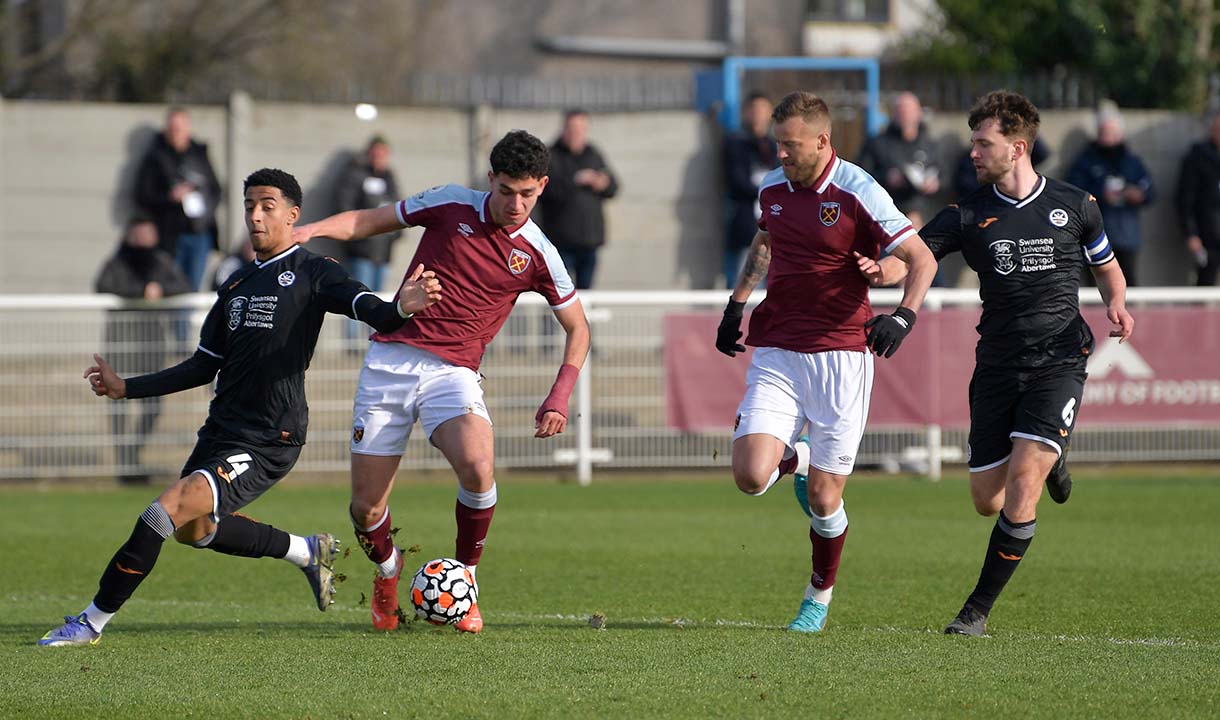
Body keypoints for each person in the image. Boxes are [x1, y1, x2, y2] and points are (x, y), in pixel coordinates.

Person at [39, 168, 443, 647]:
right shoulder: (234, 285)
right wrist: (126, 387)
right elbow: (200, 367)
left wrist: (401, 306)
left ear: (293, 216)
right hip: (221, 431)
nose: (255, 214)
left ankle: (90, 622)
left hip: (271, 435)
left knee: (160, 512)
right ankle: (306, 551)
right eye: (250, 204)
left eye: (267, 205)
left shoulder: (316, 272)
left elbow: (370, 308)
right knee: (193, 531)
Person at [859, 90, 1135, 636]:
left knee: (1024, 480)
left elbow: (1108, 267)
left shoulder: (1076, 204)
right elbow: (913, 258)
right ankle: (1052, 456)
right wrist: (878, 271)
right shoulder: (966, 214)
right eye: (972, 143)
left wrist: (1117, 303)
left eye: (983, 144)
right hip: (997, 366)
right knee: (989, 500)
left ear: (1018, 147)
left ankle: (975, 612)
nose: (973, 153)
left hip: (1060, 359)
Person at [293, 130, 591, 634]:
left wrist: (559, 394)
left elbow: (579, 327)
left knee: (478, 466)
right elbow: (370, 220)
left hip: (453, 374)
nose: (516, 204)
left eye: (528, 194)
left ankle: (466, 585)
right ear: (490, 179)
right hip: (390, 363)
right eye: (506, 191)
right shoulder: (451, 202)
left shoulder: (540, 253)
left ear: (542, 186)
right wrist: (311, 231)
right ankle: (388, 573)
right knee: (366, 508)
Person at [714, 91, 937, 633]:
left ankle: (818, 595)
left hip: (842, 354)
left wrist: (902, 314)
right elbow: (763, 245)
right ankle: (795, 456)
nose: (781, 155)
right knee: (748, 476)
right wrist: (736, 303)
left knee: (823, 496)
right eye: (776, 145)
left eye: (790, 146)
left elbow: (919, 259)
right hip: (780, 349)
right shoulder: (771, 187)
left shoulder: (859, 189)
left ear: (822, 140)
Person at [95, 214, 192, 485]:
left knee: (152, 404)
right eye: (138, 234)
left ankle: (133, 454)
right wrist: (140, 291)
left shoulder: (160, 262)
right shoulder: (118, 262)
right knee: (118, 407)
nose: (143, 240)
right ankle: (124, 462)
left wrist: (159, 289)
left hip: (152, 345)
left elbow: (182, 285)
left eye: (148, 234)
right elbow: (103, 285)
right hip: (122, 343)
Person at [135, 107, 222, 291]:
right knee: (170, 289)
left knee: (192, 289)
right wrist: (170, 197)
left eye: (180, 128)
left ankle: (185, 321)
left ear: (188, 128)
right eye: (173, 128)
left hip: (199, 234)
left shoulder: (200, 154)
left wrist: (203, 207)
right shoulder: (156, 157)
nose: (176, 133)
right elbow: (142, 195)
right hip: (170, 236)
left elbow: (216, 190)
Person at [1066, 106, 1154, 286]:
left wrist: (1138, 195)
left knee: (1127, 283)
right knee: (1097, 286)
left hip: (1126, 237)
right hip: (1095, 236)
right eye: (1104, 133)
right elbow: (1074, 191)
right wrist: (1100, 195)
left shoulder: (1132, 162)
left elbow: (1150, 191)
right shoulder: (1086, 161)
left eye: (1113, 133)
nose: (1109, 138)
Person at [536, 109, 619, 289]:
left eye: (581, 129)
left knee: (585, 296)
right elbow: (545, 191)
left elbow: (613, 187)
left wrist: (603, 183)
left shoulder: (593, 154)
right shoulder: (551, 155)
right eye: (573, 129)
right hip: (559, 242)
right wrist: (575, 180)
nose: (577, 134)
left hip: (589, 241)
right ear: (564, 129)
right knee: (558, 292)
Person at [334, 135, 403, 344]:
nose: (379, 157)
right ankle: (353, 345)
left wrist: (396, 233)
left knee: (378, 299)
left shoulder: (389, 177)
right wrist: (357, 236)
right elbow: (345, 206)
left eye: (383, 153)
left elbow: (399, 207)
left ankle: (373, 341)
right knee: (357, 295)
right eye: (376, 153)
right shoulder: (355, 175)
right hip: (361, 251)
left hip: (383, 252)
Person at [856, 92, 942, 232]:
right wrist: (886, 178)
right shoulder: (877, 143)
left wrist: (936, 183)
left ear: (919, 113)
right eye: (901, 111)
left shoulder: (930, 144)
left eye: (909, 111)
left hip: (924, 213)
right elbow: (860, 175)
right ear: (894, 114)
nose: (905, 115)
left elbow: (945, 173)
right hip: (886, 214)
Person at [723, 92, 778, 288]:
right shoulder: (735, 143)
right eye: (754, 110)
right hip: (746, 226)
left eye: (763, 110)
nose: (758, 115)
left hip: (774, 229)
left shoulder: (775, 145)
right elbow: (736, 181)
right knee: (742, 282)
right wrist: (767, 192)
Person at [1176, 113, 1220, 286]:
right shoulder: (1198, 158)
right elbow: (1185, 199)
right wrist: (1191, 233)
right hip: (1208, 232)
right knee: (1206, 280)